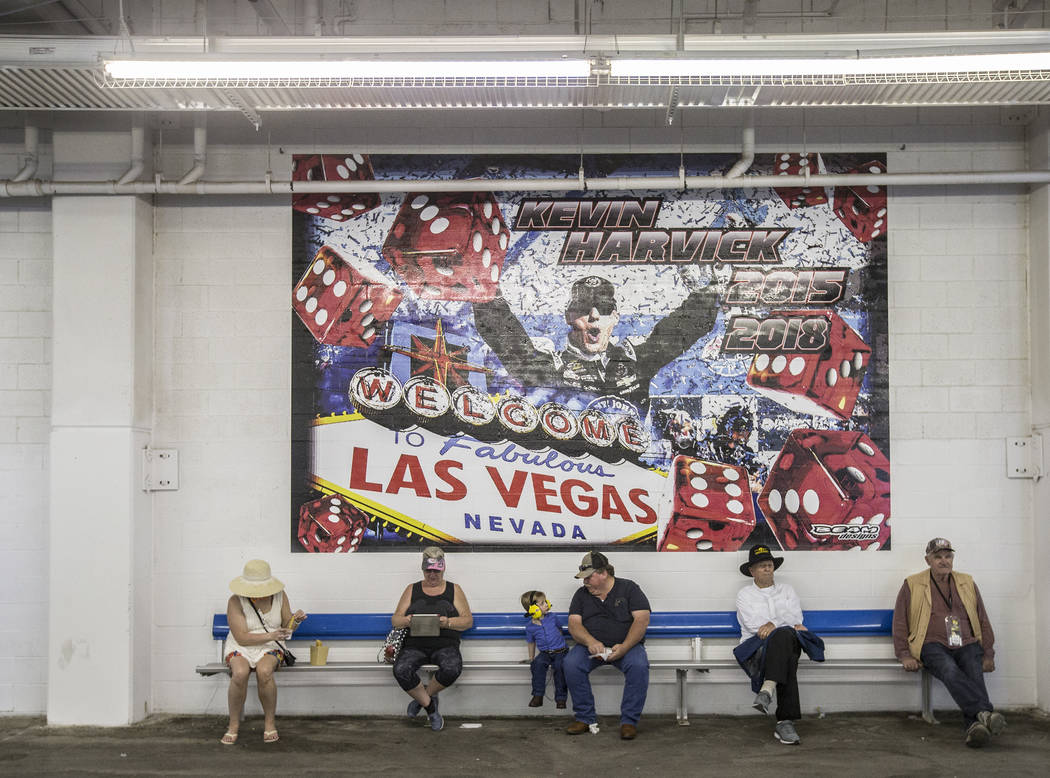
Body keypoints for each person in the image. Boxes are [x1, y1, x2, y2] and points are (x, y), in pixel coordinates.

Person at [473, 271, 718, 414]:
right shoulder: (548, 368)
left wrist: (709, 292)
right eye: (583, 309)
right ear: (569, 317)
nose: (594, 316)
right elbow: (510, 343)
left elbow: (680, 331)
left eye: (603, 308)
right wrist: (484, 291)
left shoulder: (635, 361)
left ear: (615, 317)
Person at [892, 538, 1006, 748]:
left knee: (974, 669)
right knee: (949, 670)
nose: (944, 561)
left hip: (966, 643)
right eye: (938, 557)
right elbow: (900, 621)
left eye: (948, 556)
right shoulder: (912, 584)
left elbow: (982, 619)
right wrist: (904, 654)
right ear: (928, 560)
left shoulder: (967, 582)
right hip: (931, 644)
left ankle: (976, 727)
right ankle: (984, 713)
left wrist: (988, 653)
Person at [734, 545, 823, 746]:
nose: (767, 569)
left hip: (782, 643)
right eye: (762, 566)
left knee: (784, 638)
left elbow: (797, 617)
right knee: (788, 649)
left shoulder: (787, 590)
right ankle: (785, 721)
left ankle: (767, 690)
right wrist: (782, 621)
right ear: (752, 571)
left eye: (770, 565)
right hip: (755, 647)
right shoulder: (745, 594)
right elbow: (755, 625)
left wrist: (773, 623)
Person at [564, 551, 651, 740]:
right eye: (583, 578)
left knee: (639, 666)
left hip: (627, 646)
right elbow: (574, 624)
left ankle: (629, 722)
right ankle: (585, 718)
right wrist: (591, 642)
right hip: (590, 647)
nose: (585, 582)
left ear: (603, 573)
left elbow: (641, 620)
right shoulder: (581, 595)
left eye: (589, 577)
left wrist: (626, 647)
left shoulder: (629, 588)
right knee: (571, 664)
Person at [221, 559, 306, 745]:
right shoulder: (235, 601)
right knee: (240, 673)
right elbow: (242, 637)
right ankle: (233, 725)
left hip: (271, 646)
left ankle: (269, 723)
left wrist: (295, 621)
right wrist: (272, 635)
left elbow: (286, 626)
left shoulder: (280, 596)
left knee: (265, 671)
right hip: (240, 646)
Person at [391, 546, 473, 731]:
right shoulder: (412, 589)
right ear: (423, 569)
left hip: (445, 644)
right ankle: (431, 708)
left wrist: (447, 623)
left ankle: (421, 701)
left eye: (436, 571)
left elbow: (467, 621)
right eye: (428, 571)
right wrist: (407, 620)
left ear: (443, 568)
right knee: (401, 669)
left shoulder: (454, 589)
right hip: (415, 645)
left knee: (452, 668)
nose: (432, 575)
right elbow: (395, 620)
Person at [520, 590, 567, 709]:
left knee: (560, 667)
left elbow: (560, 630)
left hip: (560, 651)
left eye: (546, 601)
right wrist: (531, 658)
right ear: (532, 609)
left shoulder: (553, 617)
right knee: (537, 664)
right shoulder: (530, 627)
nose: (546, 604)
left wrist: (558, 643)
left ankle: (561, 698)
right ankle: (538, 695)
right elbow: (531, 643)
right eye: (542, 603)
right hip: (545, 653)